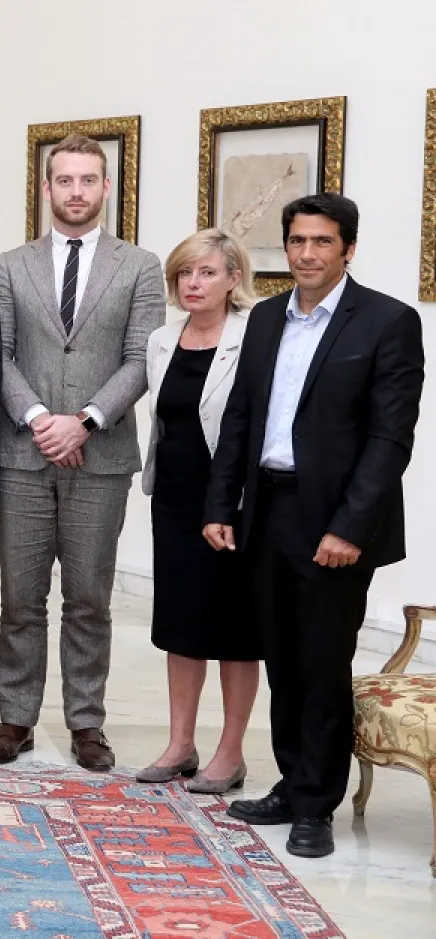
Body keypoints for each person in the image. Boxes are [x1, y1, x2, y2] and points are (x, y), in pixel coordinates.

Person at [205, 193, 423, 859]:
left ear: (347, 249)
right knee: (282, 657)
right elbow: (240, 415)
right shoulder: (267, 319)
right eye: (297, 241)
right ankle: (291, 782)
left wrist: (350, 526)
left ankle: (316, 807)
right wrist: (221, 504)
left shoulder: (387, 322)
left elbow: (391, 439)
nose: (307, 254)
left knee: (323, 661)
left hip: (334, 519)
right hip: (267, 509)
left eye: (322, 242)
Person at [0, 135, 165, 772]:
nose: (77, 192)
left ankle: (87, 723)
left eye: (89, 180)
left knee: (89, 597)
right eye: (65, 180)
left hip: (102, 453)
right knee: (20, 599)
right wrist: (39, 419)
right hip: (23, 453)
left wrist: (85, 420)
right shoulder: (10, 264)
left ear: (106, 187)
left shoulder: (139, 266)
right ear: (47, 189)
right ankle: (16, 719)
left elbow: (143, 358)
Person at [136, 229, 258, 792]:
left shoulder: (255, 337)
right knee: (181, 623)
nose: (194, 283)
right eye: (185, 273)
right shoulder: (162, 339)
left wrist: (230, 503)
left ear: (235, 278)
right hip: (177, 497)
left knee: (235, 628)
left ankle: (229, 753)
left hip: (232, 499)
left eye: (207, 272)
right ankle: (180, 744)